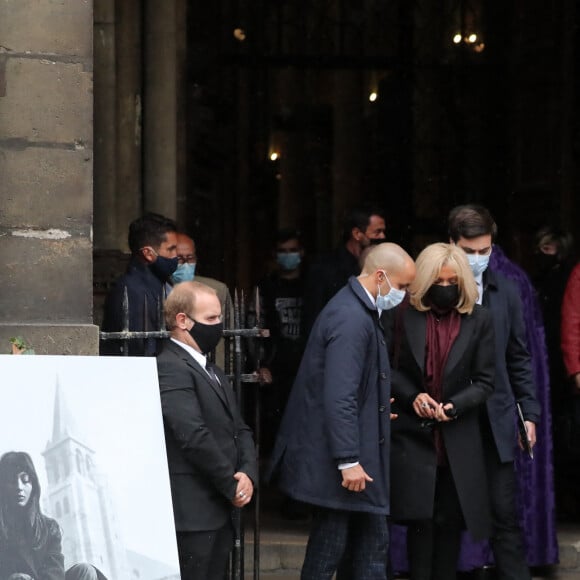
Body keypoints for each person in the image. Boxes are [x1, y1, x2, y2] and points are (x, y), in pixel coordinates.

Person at [268, 243, 416, 580]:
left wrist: (374, 413)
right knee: (337, 550)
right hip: (345, 463)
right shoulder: (352, 319)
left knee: (360, 547)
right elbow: (339, 395)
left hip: (350, 457)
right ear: (381, 277)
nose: (404, 295)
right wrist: (348, 458)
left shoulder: (355, 310)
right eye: (403, 286)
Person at [386, 243, 494, 580]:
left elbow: (487, 380)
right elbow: (388, 368)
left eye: (452, 282)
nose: (445, 288)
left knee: (450, 524)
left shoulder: (480, 320)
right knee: (419, 523)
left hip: (457, 437)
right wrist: (413, 395)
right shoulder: (403, 313)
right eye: (438, 281)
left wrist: (455, 406)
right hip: (414, 435)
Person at [448, 204, 541, 579]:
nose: (476, 259)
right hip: (451, 418)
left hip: (498, 417)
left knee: (505, 512)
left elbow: (519, 357)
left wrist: (529, 413)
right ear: (451, 244)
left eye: (484, 251)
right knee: (449, 513)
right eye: (468, 251)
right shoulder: (437, 293)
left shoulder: (506, 292)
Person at [156, 281, 257, 580]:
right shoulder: (170, 366)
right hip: (193, 512)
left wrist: (248, 472)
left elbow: (240, 428)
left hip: (218, 510)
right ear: (182, 321)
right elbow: (192, 435)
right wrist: (231, 484)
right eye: (211, 319)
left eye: (219, 318)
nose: (218, 327)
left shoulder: (212, 371)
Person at [0, 451, 105, 580]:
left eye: (25, 480)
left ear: (33, 485)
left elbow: (55, 572)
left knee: (85, 570)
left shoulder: (48, 528)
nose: (19, 487)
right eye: (11, 481)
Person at [255, 228, 307, 456]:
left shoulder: (311, 284)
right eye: (283, 251)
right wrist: (260, 362)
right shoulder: (266, 287)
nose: (288, 256)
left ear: (302, 252)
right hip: (276, 367)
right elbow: (254, 325)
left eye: (293, 250)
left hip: (306, 362)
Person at [302, 204, 386, 335]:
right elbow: (314, 319)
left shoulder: (381, 267)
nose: (382, 237)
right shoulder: (325, 269)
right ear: (357, 234)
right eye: (377, 232)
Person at [100, 213, 178, 356]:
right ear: (148, 253)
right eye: (170, 249)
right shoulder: (132, 290)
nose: (176, 255)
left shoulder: (157, 284)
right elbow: (141, 347)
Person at [173, 232, 233, 368]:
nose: (186, 264)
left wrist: (225, 371)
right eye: (180, 259)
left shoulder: (217, 289)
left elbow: (230, 336)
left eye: (190, 258)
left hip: (210, 366)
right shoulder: (159, 290)